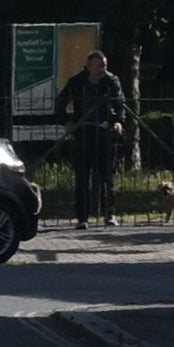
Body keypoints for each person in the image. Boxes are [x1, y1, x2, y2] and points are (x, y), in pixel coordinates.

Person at [59, 49, 130, 234]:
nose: (103, 69)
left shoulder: (111, 81)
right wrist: (67, 122)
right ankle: (82, 218)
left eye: (105, 65)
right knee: (82, 177)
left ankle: (109, 213)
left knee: (107, 176)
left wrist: (118, 122)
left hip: (105, 134)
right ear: (89, 66)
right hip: (83, 133)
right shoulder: (77, 82)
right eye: (99, 66)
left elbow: (120, 104)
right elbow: (60, 102)